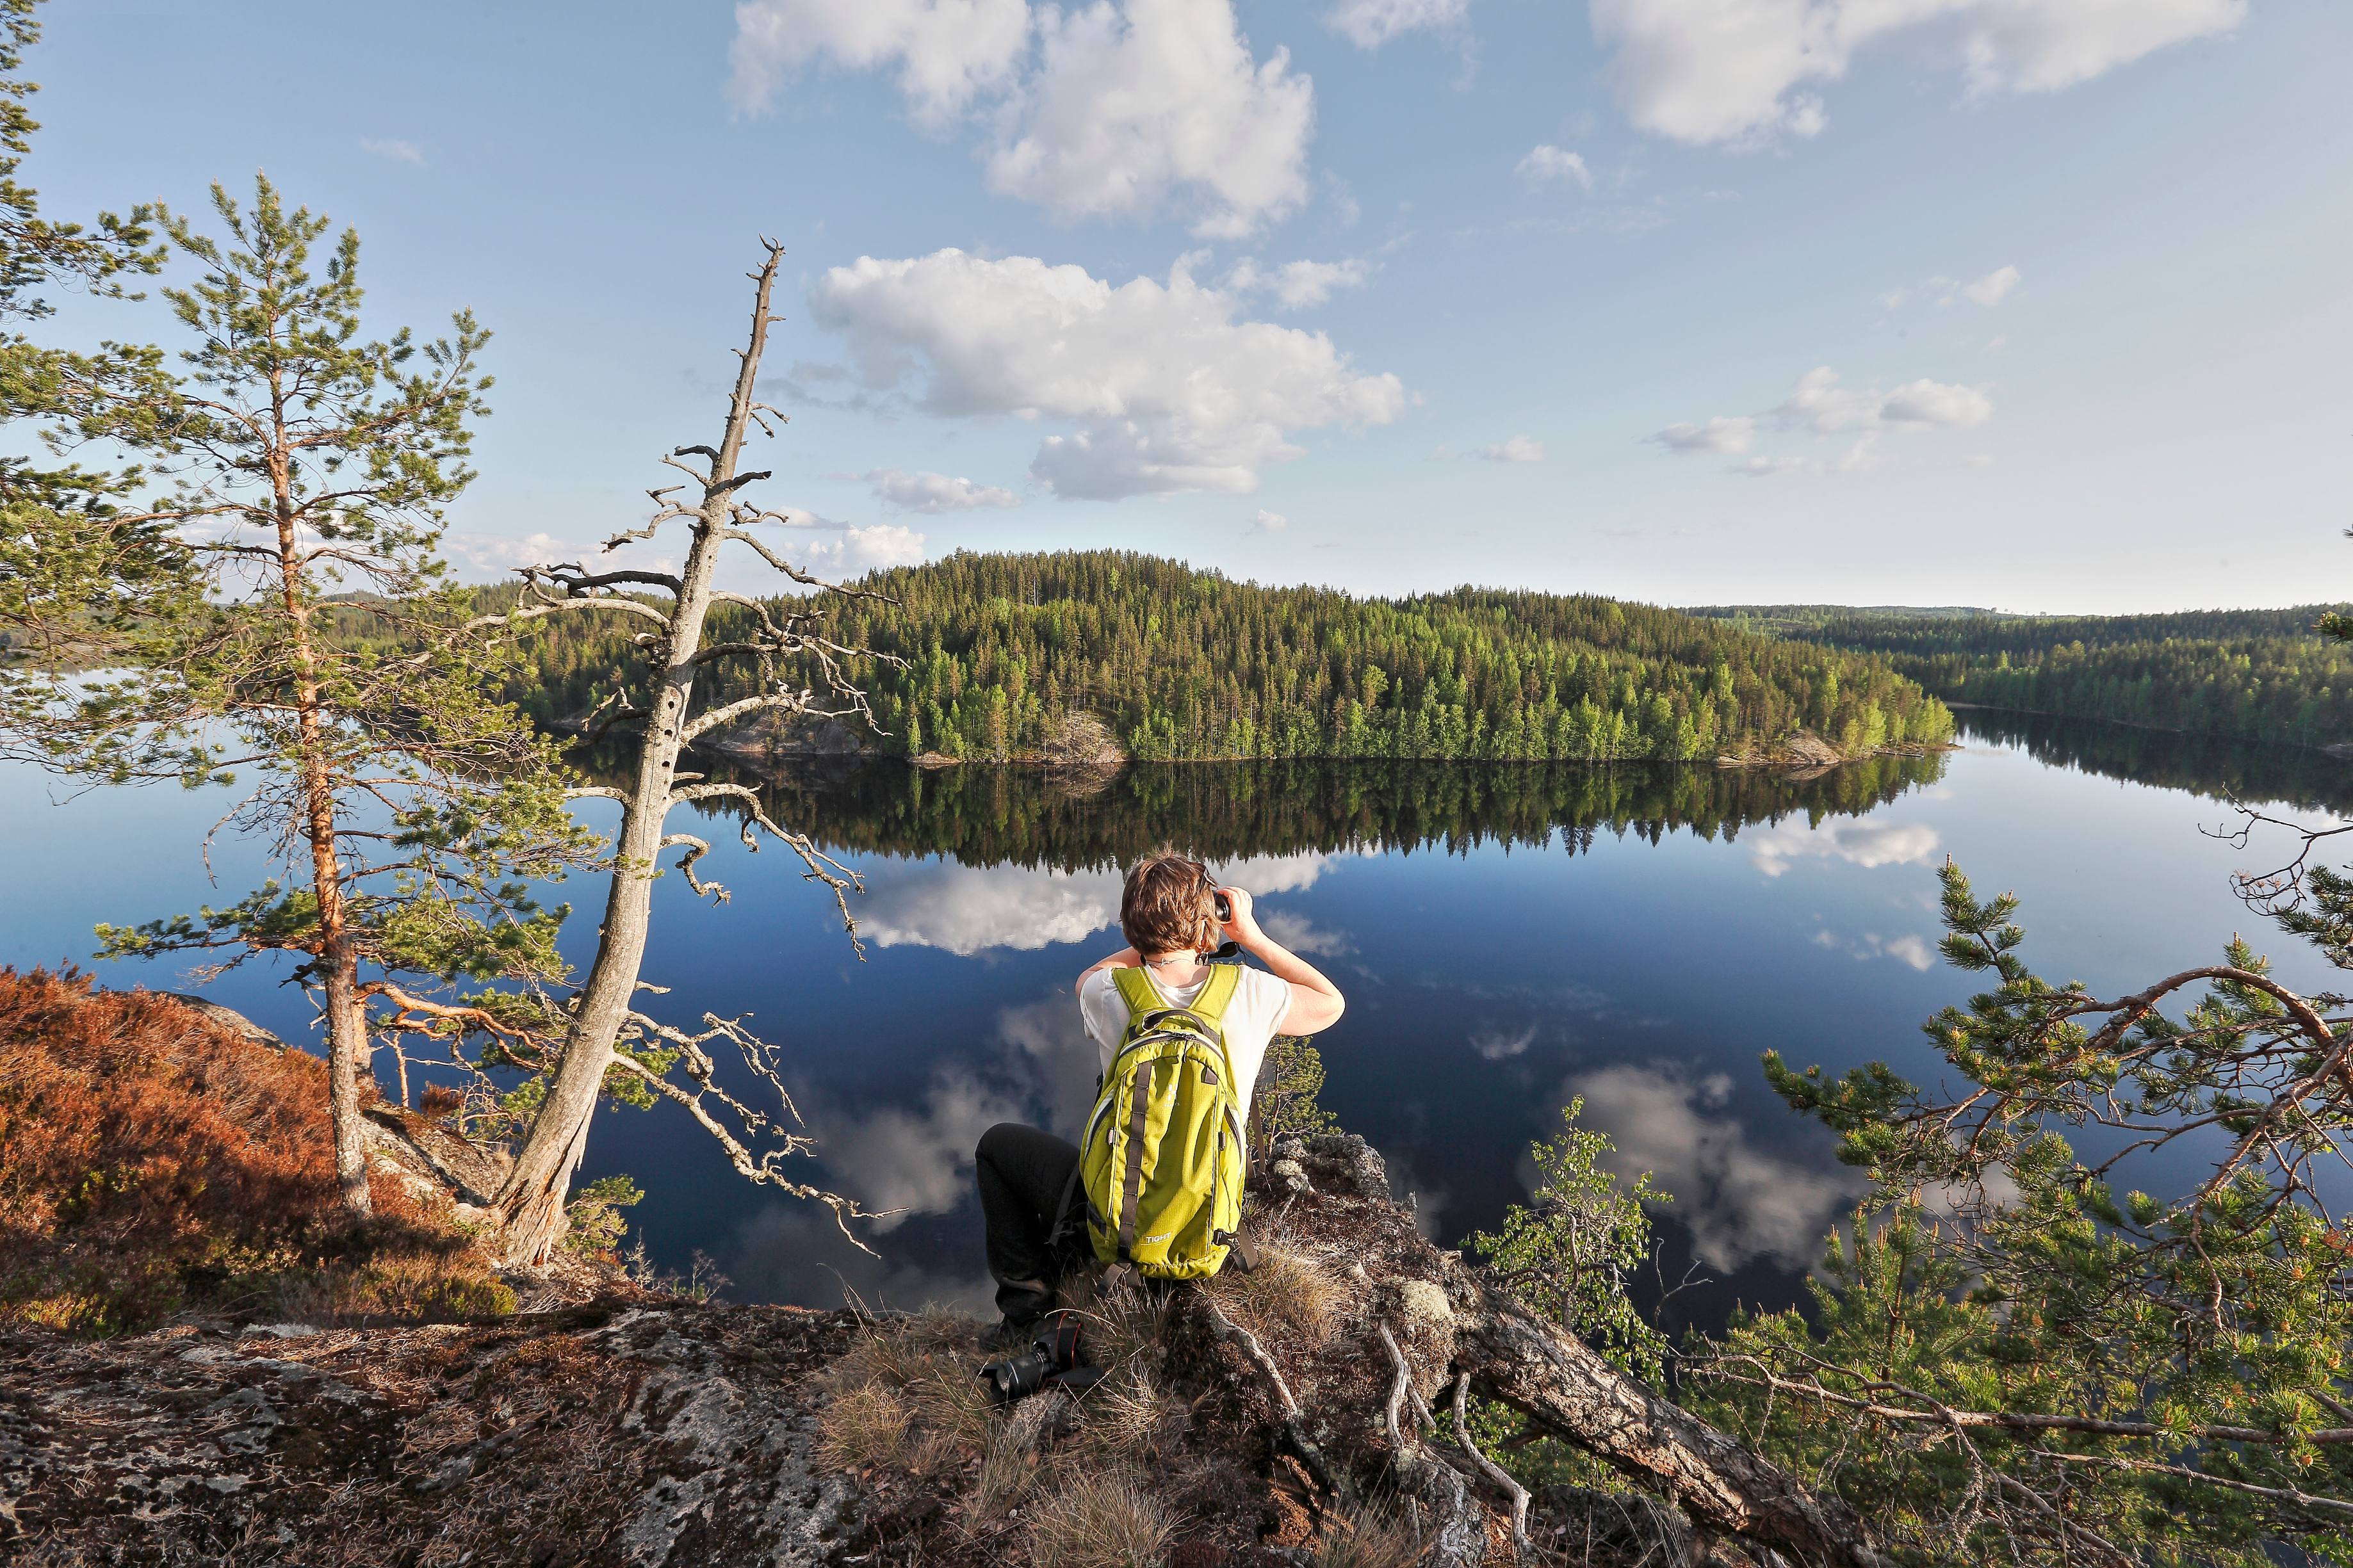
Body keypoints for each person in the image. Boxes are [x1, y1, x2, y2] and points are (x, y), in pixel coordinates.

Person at [973, 850, 1347, 1338]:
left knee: (996, 1148)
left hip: (1118, 1233)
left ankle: (1026, 1315)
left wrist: (1147, 940)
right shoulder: (1250, 992)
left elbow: (1086, 975)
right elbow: (1331, 1003)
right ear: (1208, 920)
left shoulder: (1109, 992)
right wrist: (1251, 936)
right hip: (1208, 1235)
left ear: (1132, 925)